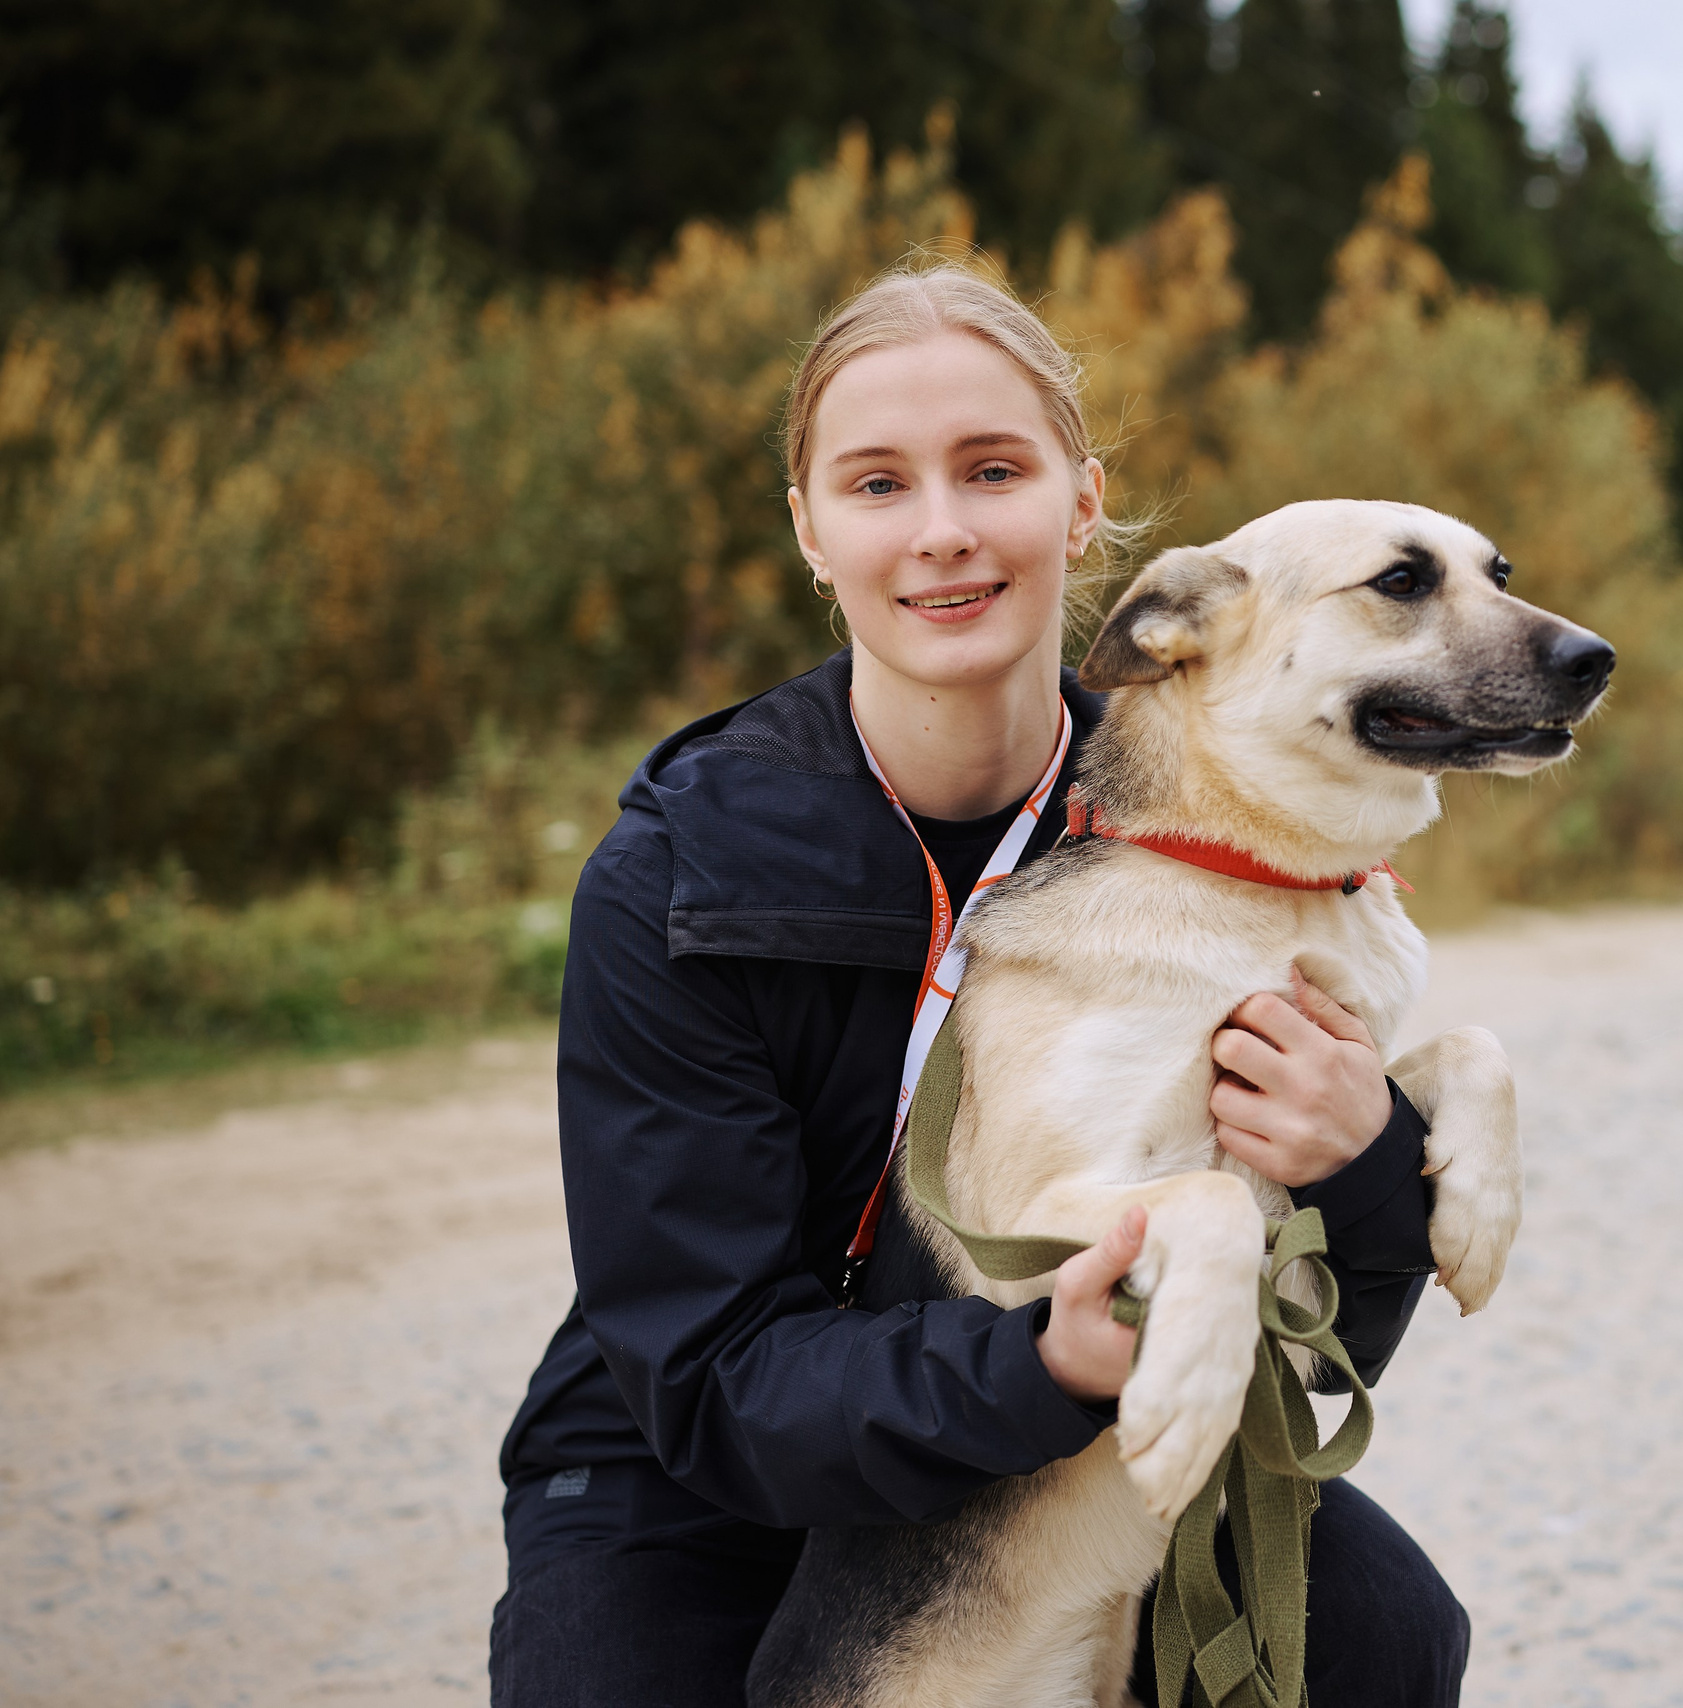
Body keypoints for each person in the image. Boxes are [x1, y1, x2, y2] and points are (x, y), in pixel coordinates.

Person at [488, 264, 1470, 1707]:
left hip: (1061, 1436)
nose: (941, 529)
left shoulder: (1218, 809)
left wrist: (1369, 1159)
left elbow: (1323, 1352)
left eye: (994, 470)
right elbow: (707, 1372)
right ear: (811, 529)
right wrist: (1037, 1362)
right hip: (704, 1463)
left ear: (1082, 502)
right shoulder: (675, 873)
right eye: (877, 484)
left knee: (1388, 1632)